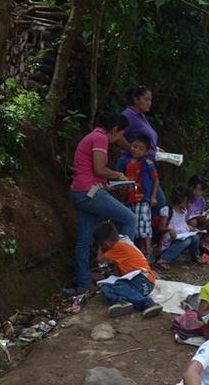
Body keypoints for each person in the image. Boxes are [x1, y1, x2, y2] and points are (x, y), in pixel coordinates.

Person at [69, 113, 136, 293]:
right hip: (89, 192)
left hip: (81, 192)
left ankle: (83, 284)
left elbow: (92, 172)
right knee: (130, 219)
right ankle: (125, 273)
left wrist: (111, 185)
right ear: (114, 130)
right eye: (121, 134)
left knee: (84, 241)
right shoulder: (100, 138)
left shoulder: (92, 136)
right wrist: (119, 175)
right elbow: (99, 169)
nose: (120, 139)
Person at [93, 222, 163, 319]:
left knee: (115, 285)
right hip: (138, 281)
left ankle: (149, 303)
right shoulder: (123, 240)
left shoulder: (118, 246)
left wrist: (100, 247)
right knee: (105, 288)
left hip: (143, 281)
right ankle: (124, 303)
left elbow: (99, 259)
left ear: (106, 243)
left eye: (102, 245)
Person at [119, 86, 167, 210]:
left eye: (150, 100)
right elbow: (117, 135)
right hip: (137, 168)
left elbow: (144, 138)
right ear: (136, 99)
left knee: (155, 202)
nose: (149, 103)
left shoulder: (141, 116)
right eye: (146, 99)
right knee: (152, 202)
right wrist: (132, 149)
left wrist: (155, 148)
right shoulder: (128, 115)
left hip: (148, 163)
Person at [116, 135, 160, 261]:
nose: (136, 150)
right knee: (133, 226)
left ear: (146, 152)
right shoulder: (123, 160)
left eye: (141, 149)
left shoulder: (148, 163)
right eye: (134, 146)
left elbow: (156, 180)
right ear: (130, 145)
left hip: (142, 198)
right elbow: (117, 177)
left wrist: (153, 197)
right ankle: (136, 252)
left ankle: (148, 251)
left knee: (145, 224)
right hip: (127, 198)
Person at [157, 185, 201, 268]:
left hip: (180, 236)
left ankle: (196, 256)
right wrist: (170, 230)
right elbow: (161, 228)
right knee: (187, 241)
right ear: (183, 200)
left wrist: (189, 227)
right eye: (188, 202)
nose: (190, 204)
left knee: (195, 237)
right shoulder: (168, 210)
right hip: (170, 238)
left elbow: (181, 223)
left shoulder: (184, 211)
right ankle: (164, 258)